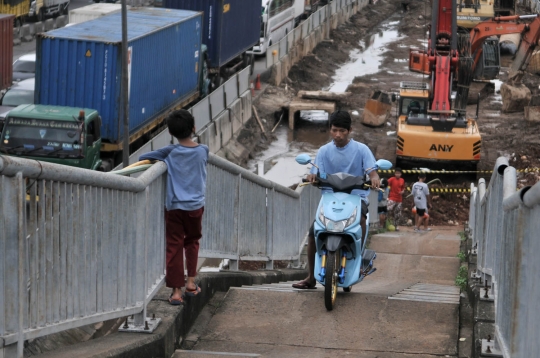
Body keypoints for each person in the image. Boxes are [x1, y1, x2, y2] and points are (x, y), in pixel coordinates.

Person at [292, 110, 380, 289]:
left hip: (356, 198)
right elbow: (314, 172)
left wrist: (374, 178)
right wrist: (312, 177)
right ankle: (311, 278)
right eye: (334, 130)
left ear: (350, 130)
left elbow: (372, 171)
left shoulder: (361, 150)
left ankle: (357, 257)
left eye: (342, 131)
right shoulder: (324, 151)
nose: (338, 135)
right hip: (330, 199)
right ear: (330, 130)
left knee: (361, 220)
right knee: (313, 233)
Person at [139, 109, 209, 305]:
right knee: (193, 241)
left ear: (170, 133)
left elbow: (142, 157)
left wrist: (162, 158)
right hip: (195, 206)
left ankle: (176, 292)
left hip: (174, 208)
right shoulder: (203, 150)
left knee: (174, 245)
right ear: (194, 128)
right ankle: (191, 283)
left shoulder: (169, 152)